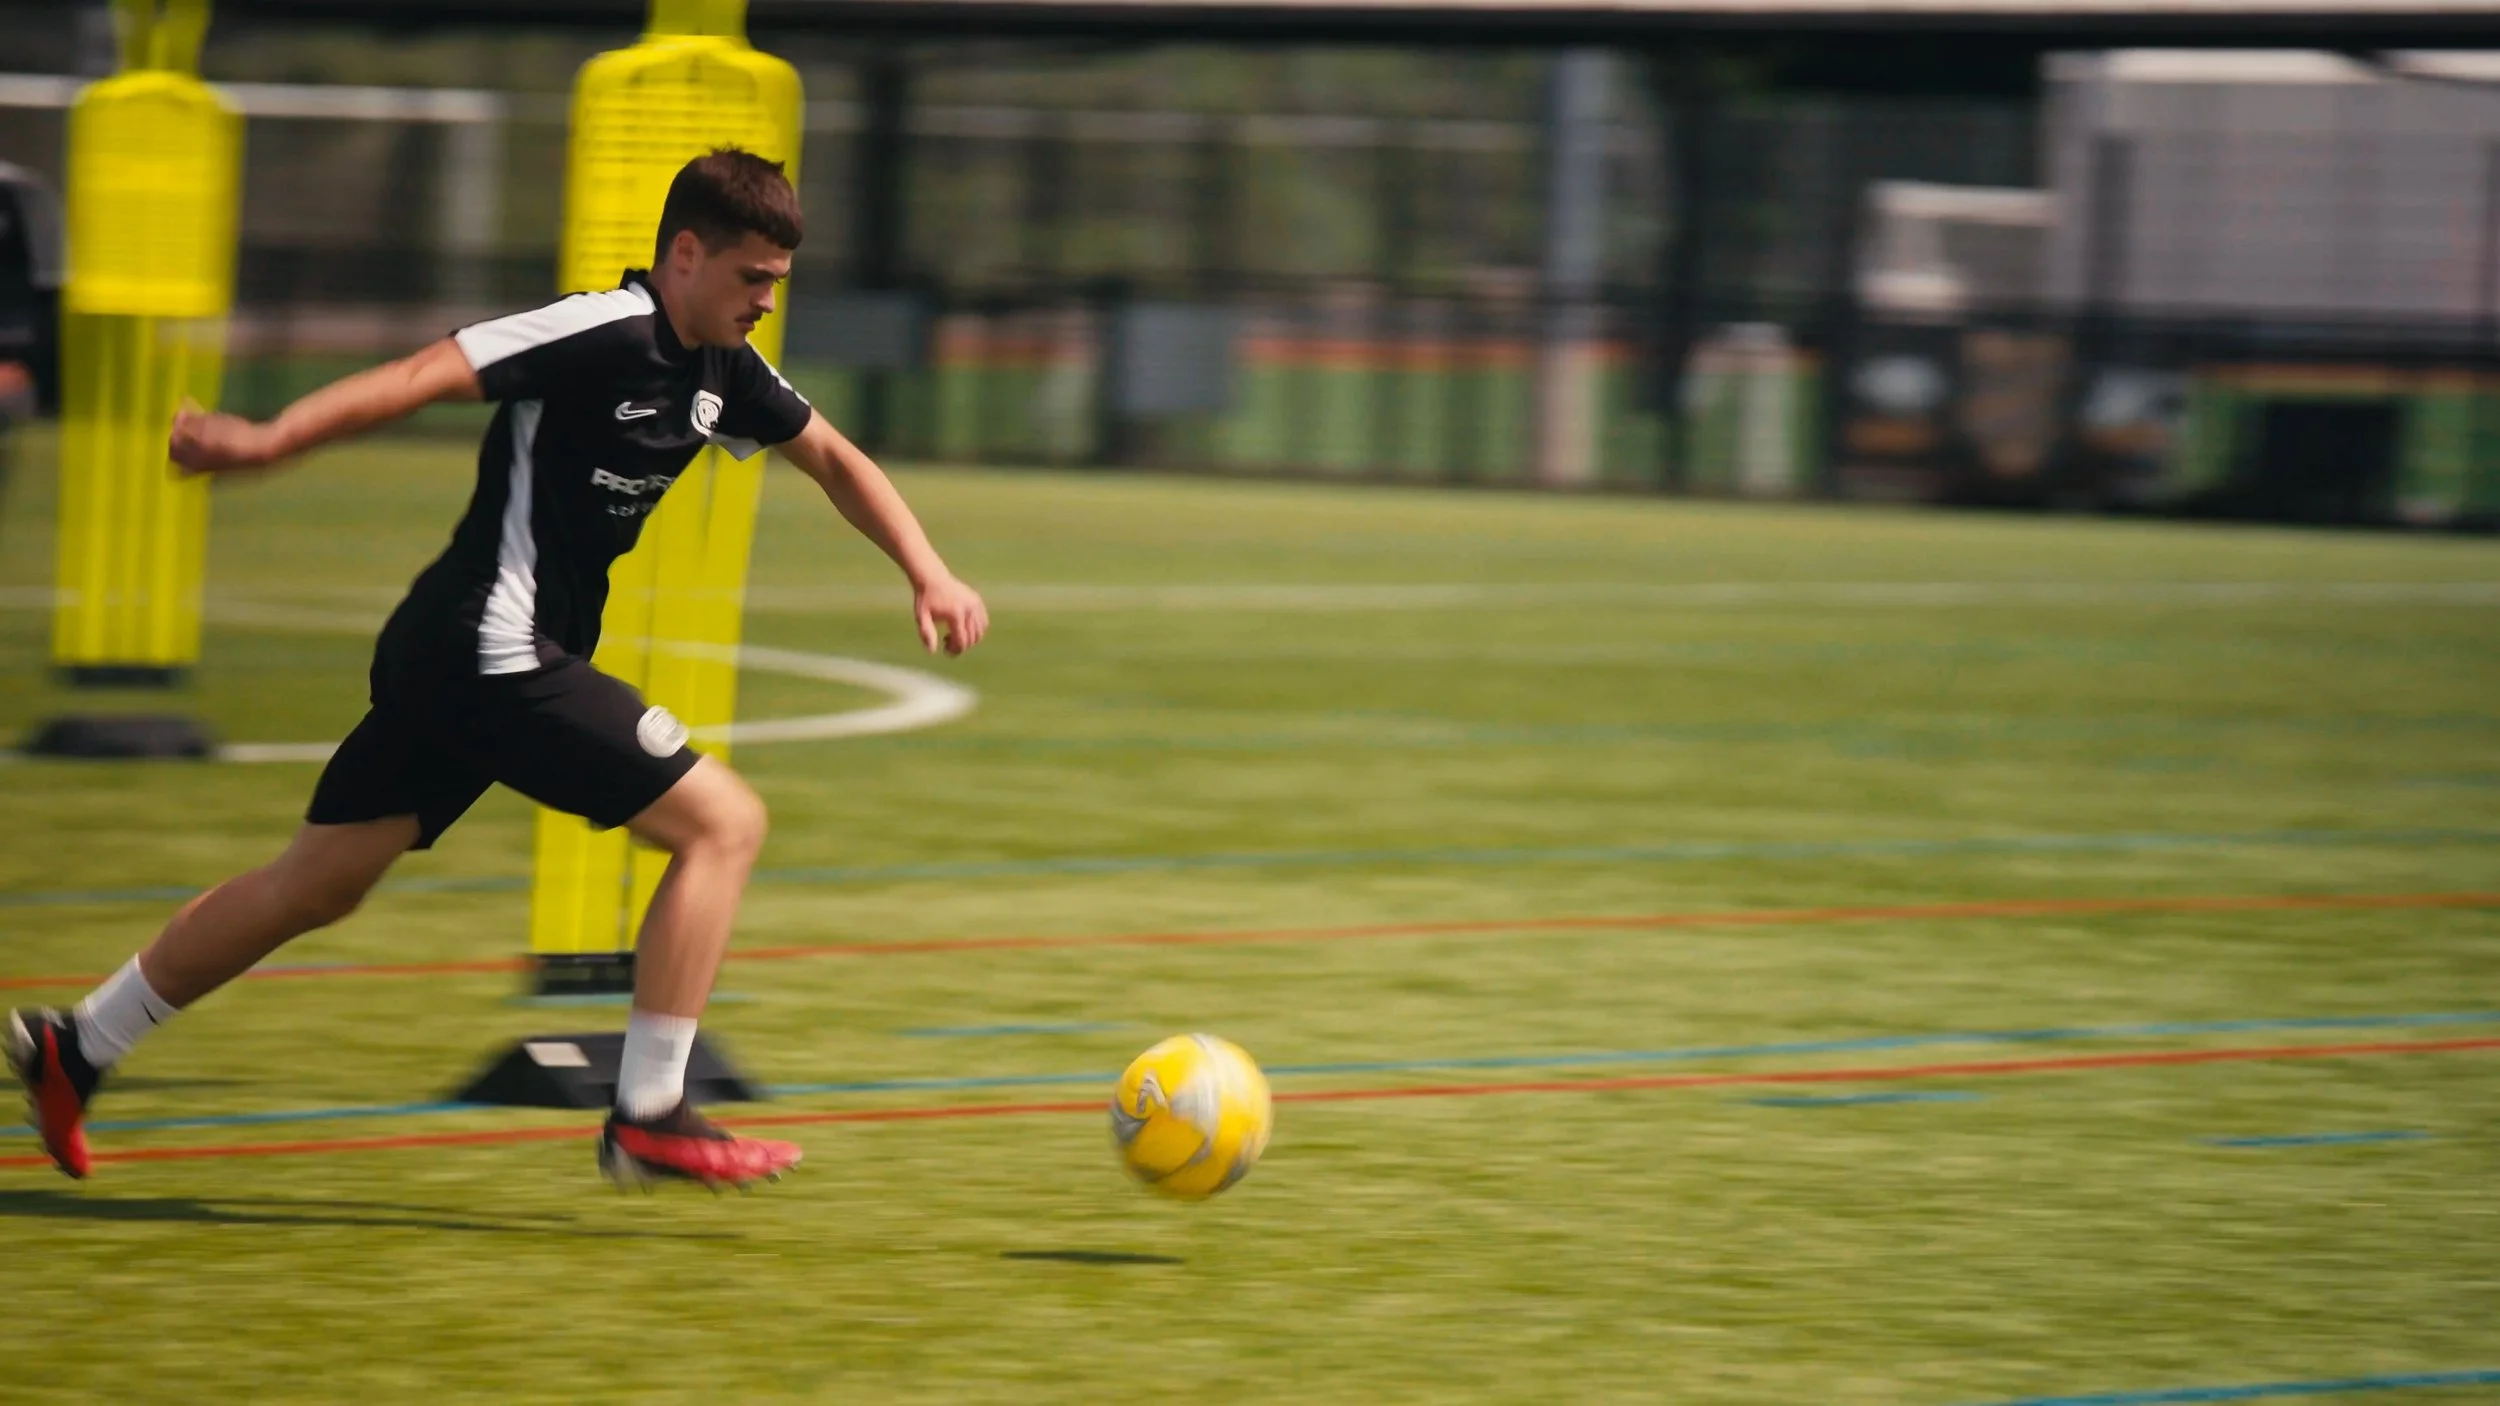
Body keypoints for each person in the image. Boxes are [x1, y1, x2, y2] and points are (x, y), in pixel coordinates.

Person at [7, 148, 987, 1190]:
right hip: (490, 645)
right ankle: (649, 1111)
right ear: (686, 254)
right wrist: (267, 441)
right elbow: (422, 374)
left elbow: (833, 455)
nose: (764, 304)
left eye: (777, 286)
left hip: (468, 654)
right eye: (752, 280)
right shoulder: (595, 329)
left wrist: (925, 569)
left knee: (316, 883)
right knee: (724, 823)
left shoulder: (723, 369)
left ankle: (80, 1042)